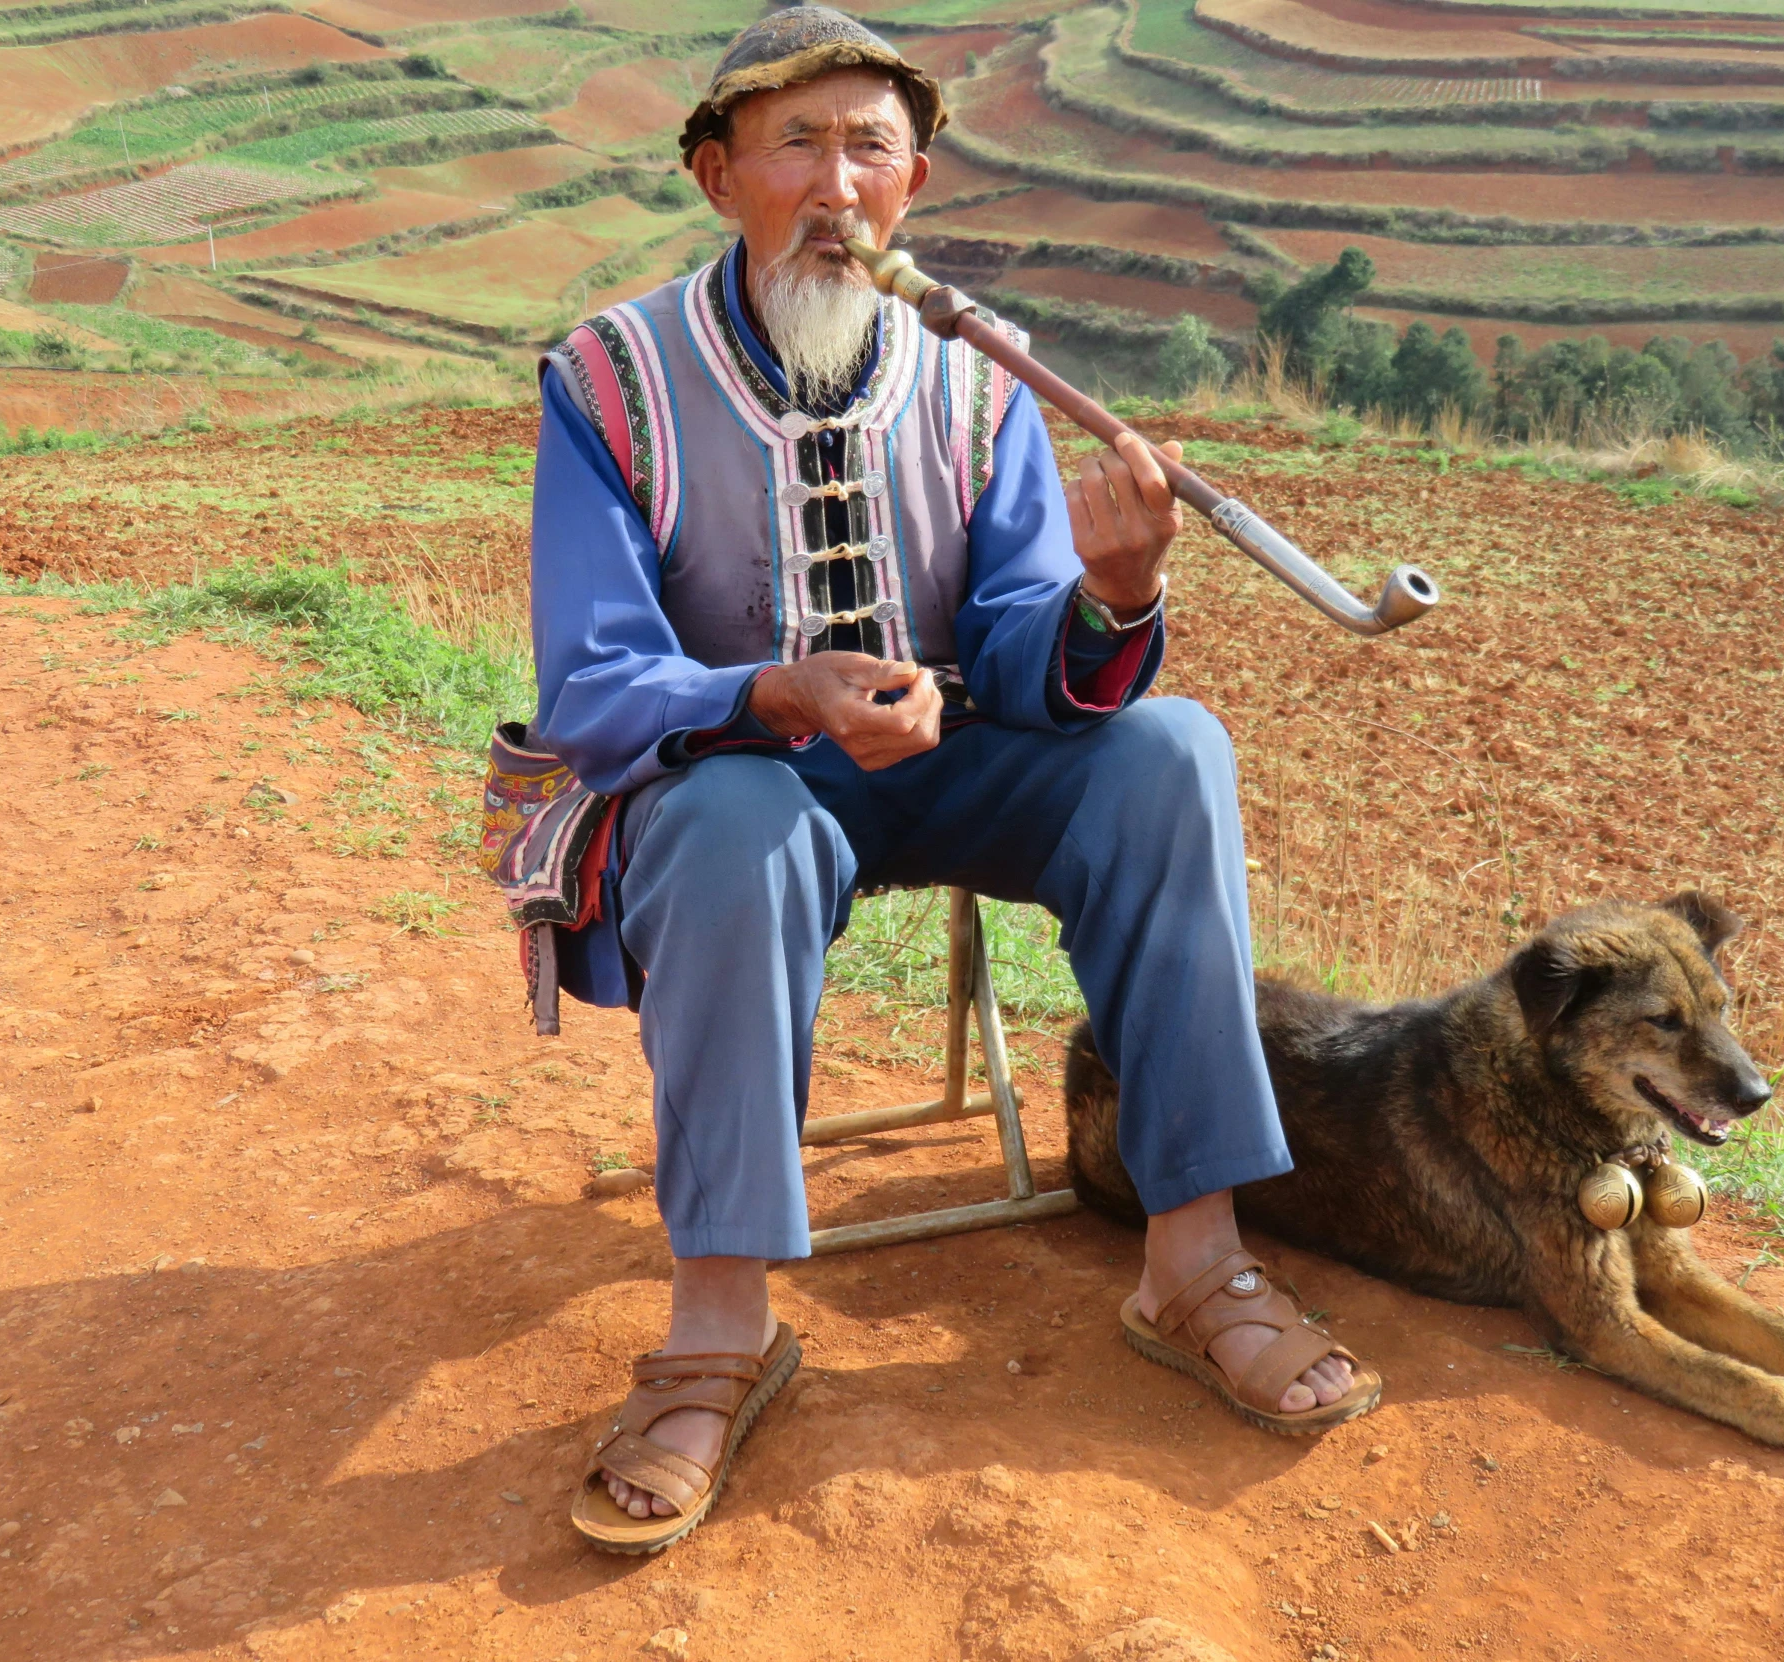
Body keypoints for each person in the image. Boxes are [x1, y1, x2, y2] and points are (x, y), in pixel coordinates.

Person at [531, 6, 1381, 1555]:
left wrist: (1109, 600)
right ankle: (721, 1324)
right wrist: (772, 691)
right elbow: (591, 684)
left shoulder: (981, 378)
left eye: (870, 147)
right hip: (747, 781)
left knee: (1169, 746)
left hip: (953, 760)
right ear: (721, 176)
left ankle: (1194, 1260)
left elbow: (1014, 630)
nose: (836, 186)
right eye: (797, 143)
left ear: (915, 183)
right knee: (729, 824)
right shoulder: (608, 379)